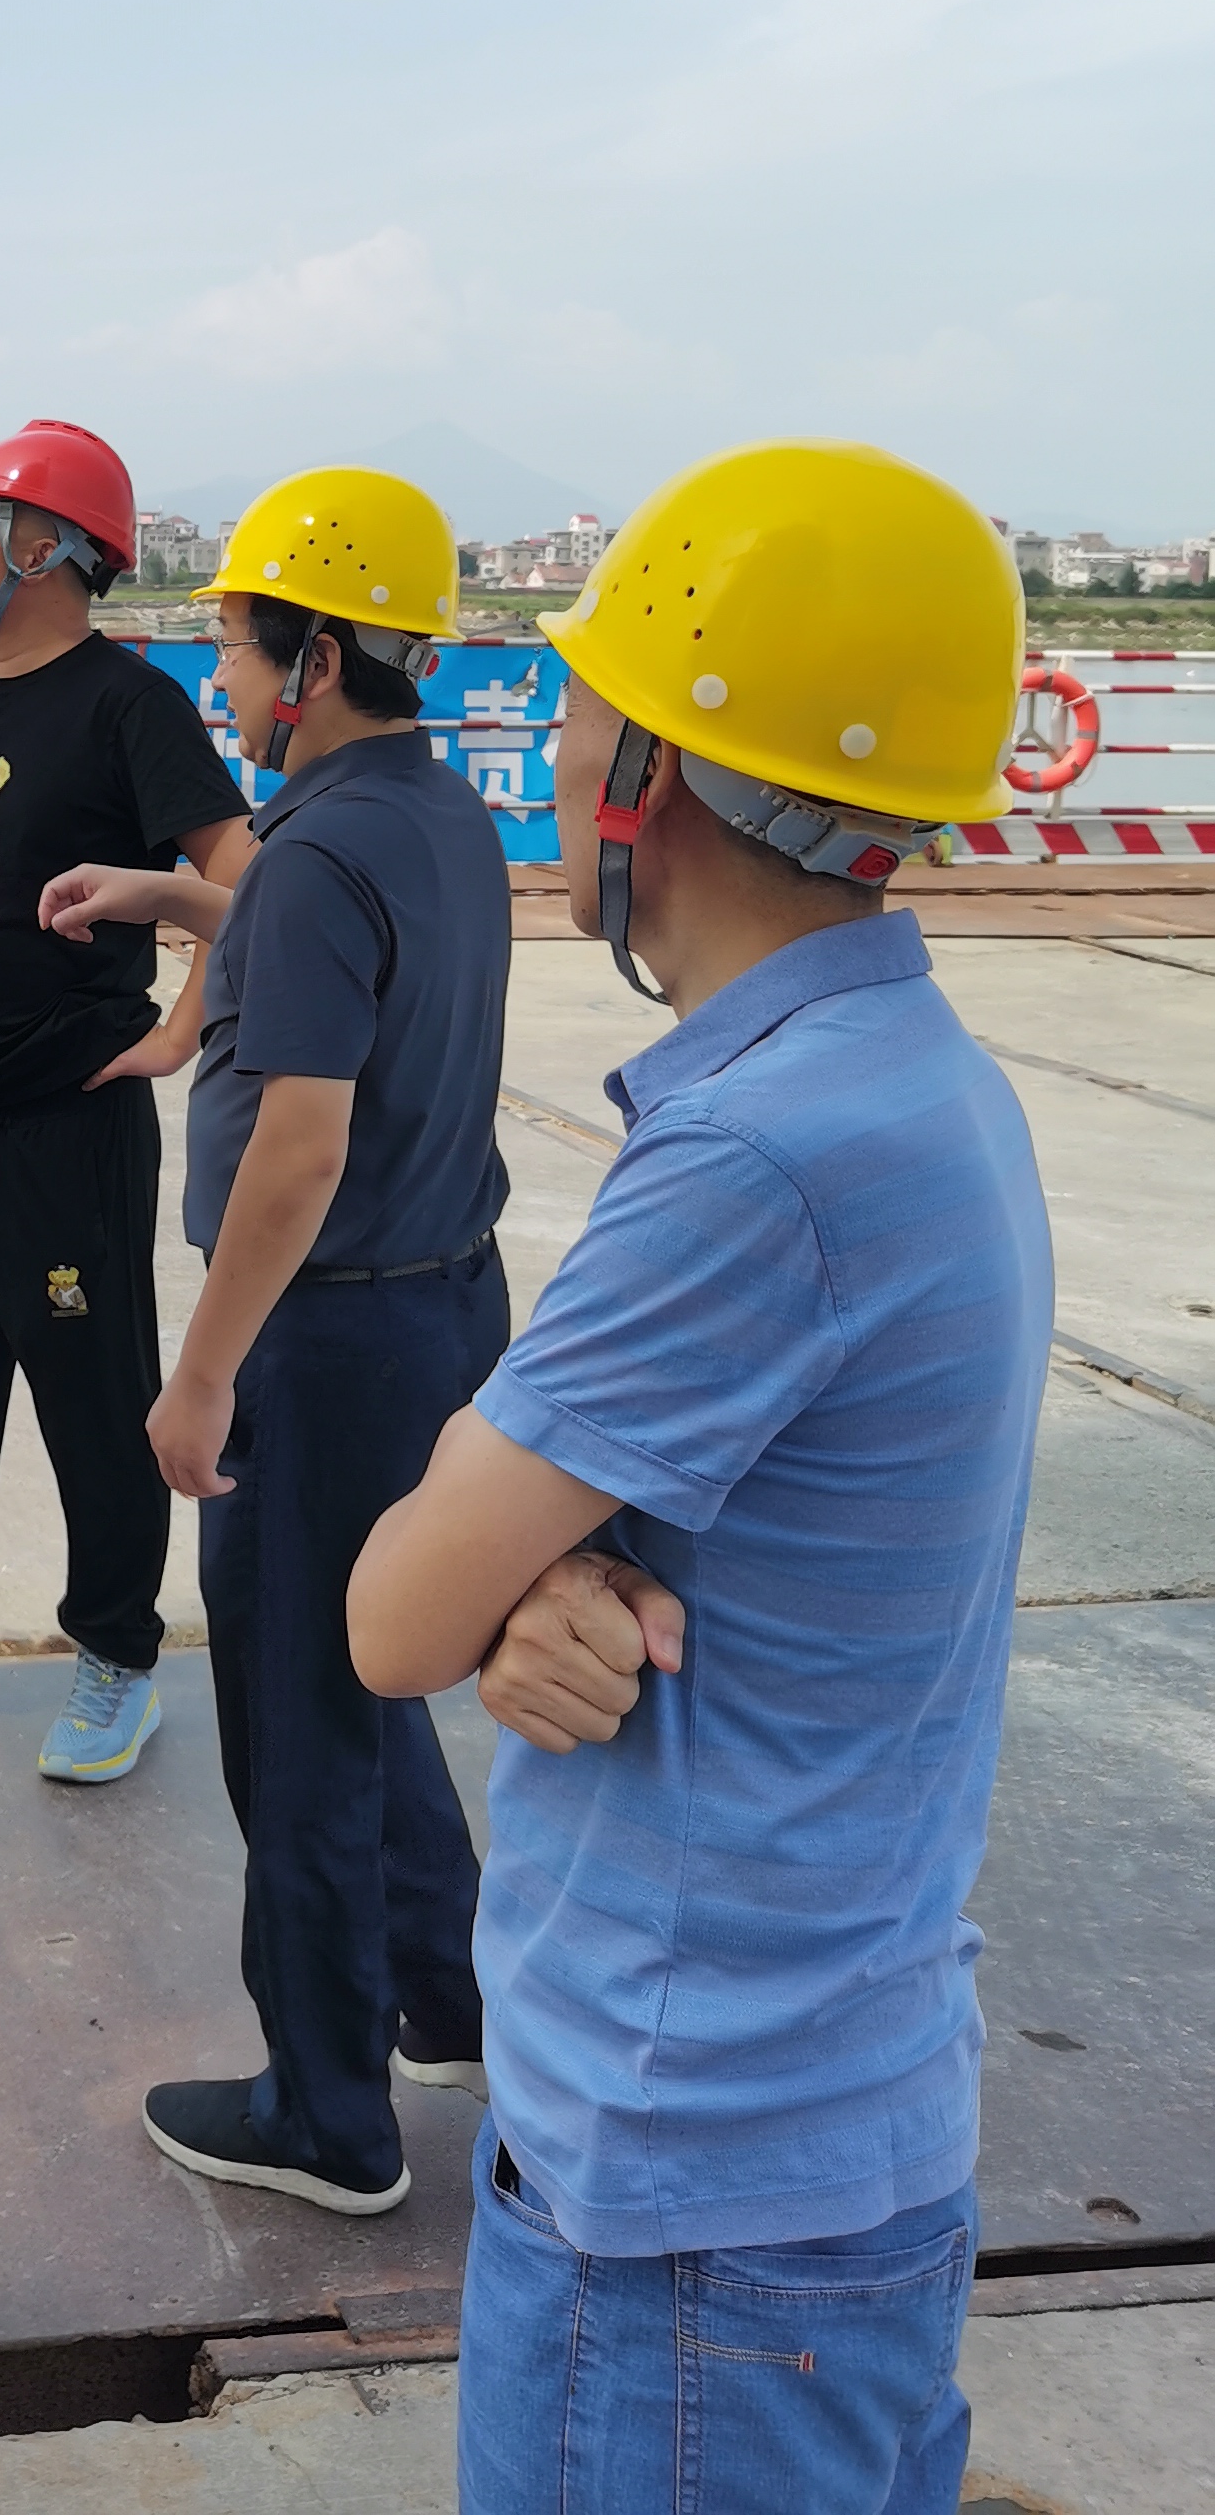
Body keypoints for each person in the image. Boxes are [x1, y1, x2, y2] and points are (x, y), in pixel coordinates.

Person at [347, 441, 1049, 2515]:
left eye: (582, 710)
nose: (554, 753)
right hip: (839, 2134)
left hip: (690, 2195)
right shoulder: (918, 1080)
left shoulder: (756, 1157)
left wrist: (503, 1570)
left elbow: (392, 1615)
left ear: (649, 774)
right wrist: (551, 1575)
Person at [37, 465, 509, 2212]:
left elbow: (298, 1149)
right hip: (448, 1311)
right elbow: (332, 944)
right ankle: (452, 2001)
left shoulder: (315, 851)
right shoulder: (440, 818)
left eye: (235, 645)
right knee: (371, 1675)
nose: (220, 677)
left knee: (298, 1722)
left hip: (323, 1344)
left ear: (311, 660)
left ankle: (327, 2115)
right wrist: (173, 901)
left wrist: (202, 1373)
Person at [0, 419, 251, 1785]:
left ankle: (118, 1658)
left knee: (91, 1401)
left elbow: (247, 881)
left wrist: (181, 1028)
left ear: (44, 547)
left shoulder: (130, 703)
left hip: (66, 1126)